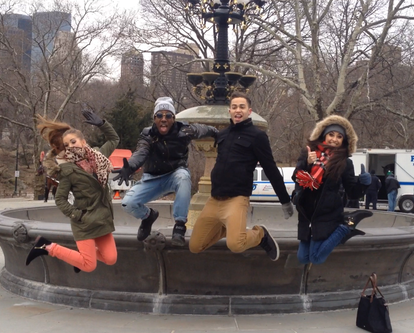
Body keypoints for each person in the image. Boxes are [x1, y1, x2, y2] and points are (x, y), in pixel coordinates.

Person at [189, 92, 294, 261]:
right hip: (214, 199)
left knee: (236, 244)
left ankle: (260, 234)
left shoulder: (257, 136)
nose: (238, 110)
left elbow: (271, 169)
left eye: (242, 107)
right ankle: (229, 228)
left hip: (236, 199)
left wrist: (284, 200)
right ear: (229, 111)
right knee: (195, 246)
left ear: (249, 111)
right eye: (235, 107)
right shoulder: (222, 135)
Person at [112, 97, 218, 246]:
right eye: (159, 115)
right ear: (154, 118)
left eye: (168, 115)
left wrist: (216, 133)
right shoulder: (147, 134)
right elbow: (141, 152)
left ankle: (180, 225)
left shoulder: (184, 130)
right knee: (128, 203)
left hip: (175, 175)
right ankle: (148, 217)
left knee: (183, 176)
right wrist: (129, 166)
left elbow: (203, 129)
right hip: (152, 179)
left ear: (173, 118)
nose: (163, 119)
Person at [26, 109, 119, 273]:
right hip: (84, 222)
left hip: (102, 219)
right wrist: (78, 215)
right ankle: (46, 246)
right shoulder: (68, 171)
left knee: (111, 259)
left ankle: (77, 259)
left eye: (74, 142)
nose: (71, 147)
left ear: (83, 141)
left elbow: (114, 139)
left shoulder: (98, 156)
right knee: (89, 266)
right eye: (67, 145)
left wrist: (102, 124)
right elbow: (60, 199)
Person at [292, 115, 373, 265]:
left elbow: (353, 193)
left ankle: (346, 228)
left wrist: (364, 183)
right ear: (324, 135)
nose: (334, 139)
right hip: (307, 212)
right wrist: (308, 164)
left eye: (339, 136)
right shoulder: (309, 154)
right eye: (331, 134)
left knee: (316, 258)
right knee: (302, 258)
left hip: (327, 214)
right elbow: (296, 178)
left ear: (344, 140)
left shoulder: (345, 162)